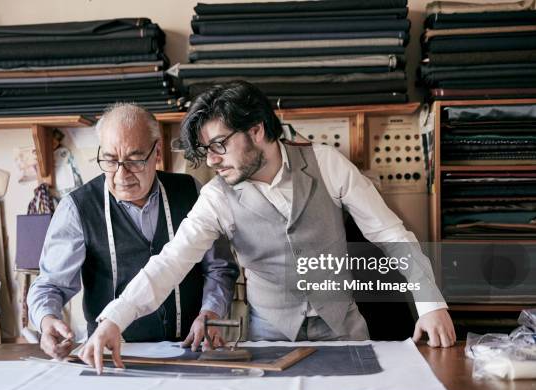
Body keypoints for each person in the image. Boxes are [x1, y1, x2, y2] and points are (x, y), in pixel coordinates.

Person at [78, 82, 456, 373]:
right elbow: (170, 262)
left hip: (345, 332)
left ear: (257, 130)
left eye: (220, 145)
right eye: (206, 150)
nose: (211, 160)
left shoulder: (325, 163)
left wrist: (430, 303)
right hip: (270, 340)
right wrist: (115, 318)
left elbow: (389, 234)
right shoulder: (216, 196)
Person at [27, 102, 239, 360]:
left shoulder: (191, 192)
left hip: (189, 350)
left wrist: (211, 314)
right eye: (110, 160)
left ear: (157, 151)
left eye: (135, 160)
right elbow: (50, 284)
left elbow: (219, 268)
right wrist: (47, 320)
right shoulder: (77, 208)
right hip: (112, 355)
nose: (121, 174)